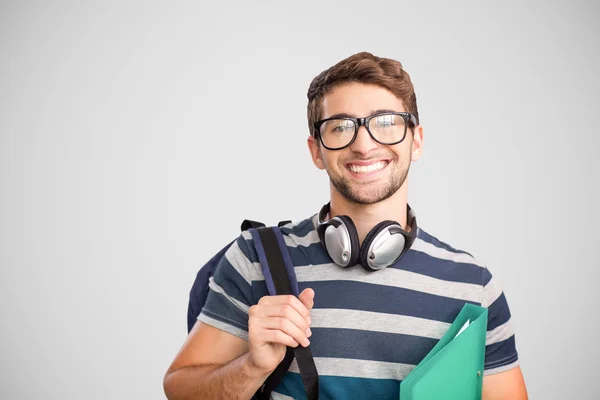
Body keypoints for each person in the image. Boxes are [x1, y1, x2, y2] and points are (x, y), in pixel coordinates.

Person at [163, 52, 528, 399]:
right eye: (340, 127)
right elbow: (181, 389)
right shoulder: (256, 259)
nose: (364, 145)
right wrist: (252, 367)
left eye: (385, 123)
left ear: (416, 141)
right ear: (316, 151)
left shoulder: (473, 285)